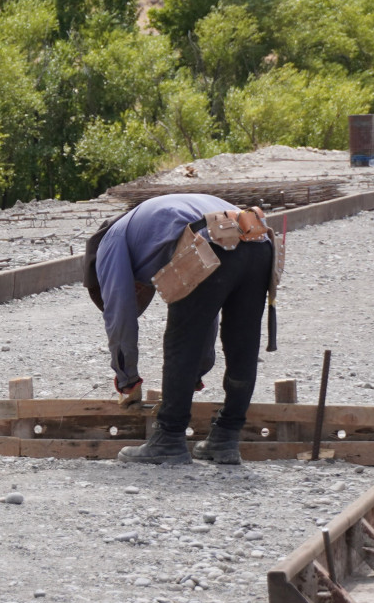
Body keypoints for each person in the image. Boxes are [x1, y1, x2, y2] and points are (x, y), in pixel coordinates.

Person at [84, 193, 279, 465]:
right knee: (242, 345)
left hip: (208, 240)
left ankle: (169, 438)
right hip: (259, 240)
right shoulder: (152, 222)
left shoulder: (109, 241)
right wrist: (195, 373)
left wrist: (128, 380)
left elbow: (120, 316)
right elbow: (204, 312)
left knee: (180, 341)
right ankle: (225, 439)